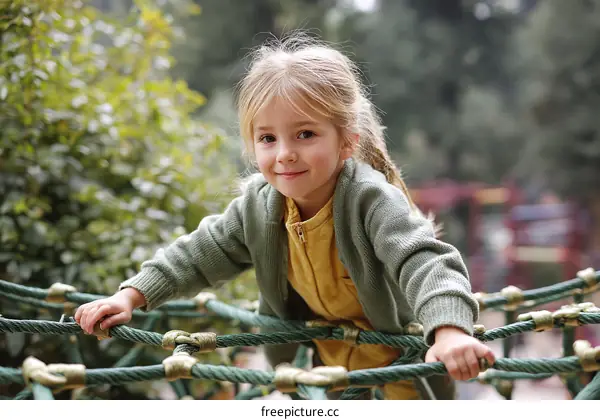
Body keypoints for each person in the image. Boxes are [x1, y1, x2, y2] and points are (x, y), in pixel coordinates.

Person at [74, 33, 495, 399]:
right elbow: (199, 253)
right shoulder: (259, 206)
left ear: (347, 141)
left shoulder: (370, 200)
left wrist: (450, 330)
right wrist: (130, 296)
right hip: (316, 367)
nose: (284, 153)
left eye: (305, 134)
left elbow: (426, 261)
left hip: (397, 364)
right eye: (267, 138)